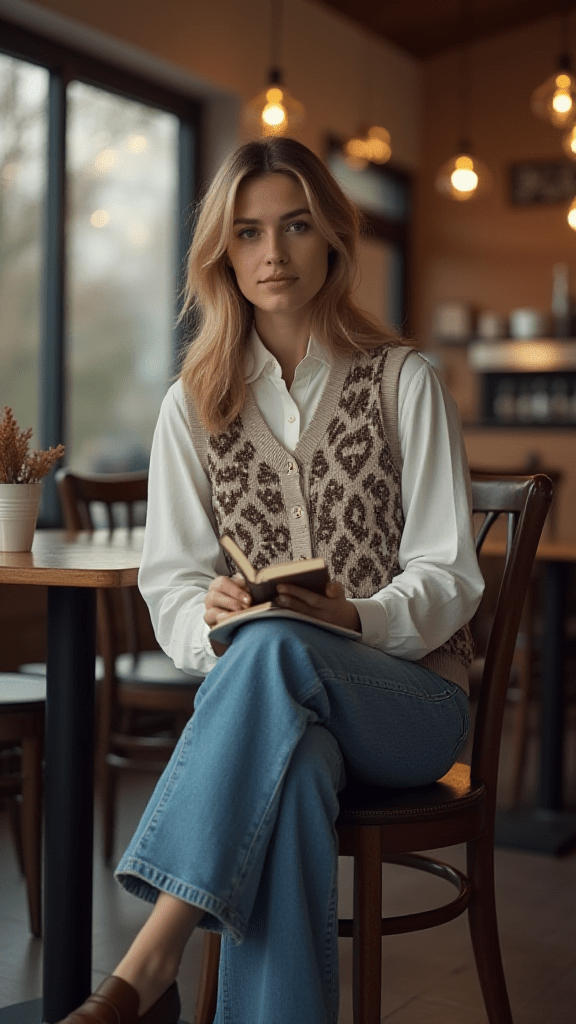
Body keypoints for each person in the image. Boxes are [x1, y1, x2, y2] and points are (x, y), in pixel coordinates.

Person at [59, 137, 484, 1024]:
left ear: (332, 236)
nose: (273, 253)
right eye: (247, 233)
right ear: (223, 254)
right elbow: (171, 581)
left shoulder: (405, 381)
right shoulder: (193, 402)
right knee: (289, 778)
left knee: (281, 638)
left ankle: (149, 961)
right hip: (282, 712)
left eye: (295, 226)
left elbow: (449, 572)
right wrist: (204, 615)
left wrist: (355, 616)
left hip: (412, 708)